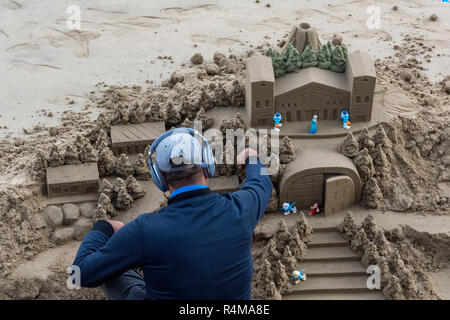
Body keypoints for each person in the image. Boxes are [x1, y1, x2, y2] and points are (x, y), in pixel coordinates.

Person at [72, 128, 273, 300]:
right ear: (208, 166)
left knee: (111, 267)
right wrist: (252, 158)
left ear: (160, 178)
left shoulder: (145, 230)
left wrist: (103, 228)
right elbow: (261, 183)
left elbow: (78, 275)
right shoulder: (241, 209)